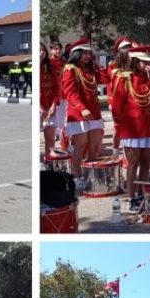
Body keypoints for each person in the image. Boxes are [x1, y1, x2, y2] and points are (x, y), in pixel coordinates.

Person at [110, 44, 150, 213]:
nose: (148, 64)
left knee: (146, 163)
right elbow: (117, 105)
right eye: (143, 62)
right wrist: (119, 126)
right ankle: (133, 197)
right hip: (132, 127)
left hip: (149, 125)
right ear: (135, 61)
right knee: (133, 164)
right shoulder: (124, 78)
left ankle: (143, 193)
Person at [62, 38, 105, 188]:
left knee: (95, 146)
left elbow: (106, 79)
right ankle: (78, 178)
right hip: (80, 113)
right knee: (79, 147)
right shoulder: (70, 69)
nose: (88, 56)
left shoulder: (91, 70)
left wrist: (98, 65)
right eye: (85, 53)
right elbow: (70, 92)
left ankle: (90, 174)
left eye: (90, 53)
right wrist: (82, 108)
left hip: (94, 112)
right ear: (77, 53)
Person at [39, 43, 61, 157]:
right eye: (38, 50)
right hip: (38, 108)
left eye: (43, 50)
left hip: (49, 107)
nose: (41, 52)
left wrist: (53, 105)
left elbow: (56, 88)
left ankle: (49, 161)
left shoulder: (50, 66)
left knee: (50, 137)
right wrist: (39, 108)